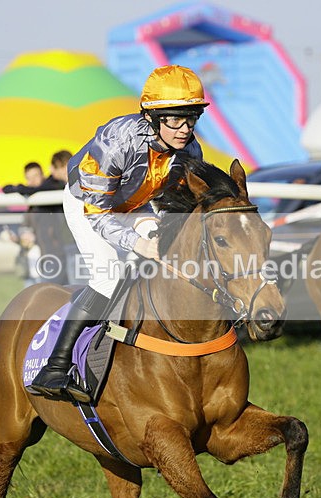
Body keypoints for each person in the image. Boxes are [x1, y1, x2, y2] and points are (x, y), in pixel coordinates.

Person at [27, 65, 209, 401]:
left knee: (168, 259)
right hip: (88, 202)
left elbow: (173, 205)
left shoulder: (190, 151)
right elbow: (99, 213)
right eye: (175, 119)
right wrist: (138, 242)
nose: (185, 129)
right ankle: (55, 366)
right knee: (109, 275)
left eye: (191, 118)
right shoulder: (117, 140)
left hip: (136, 204)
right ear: (152, 117)